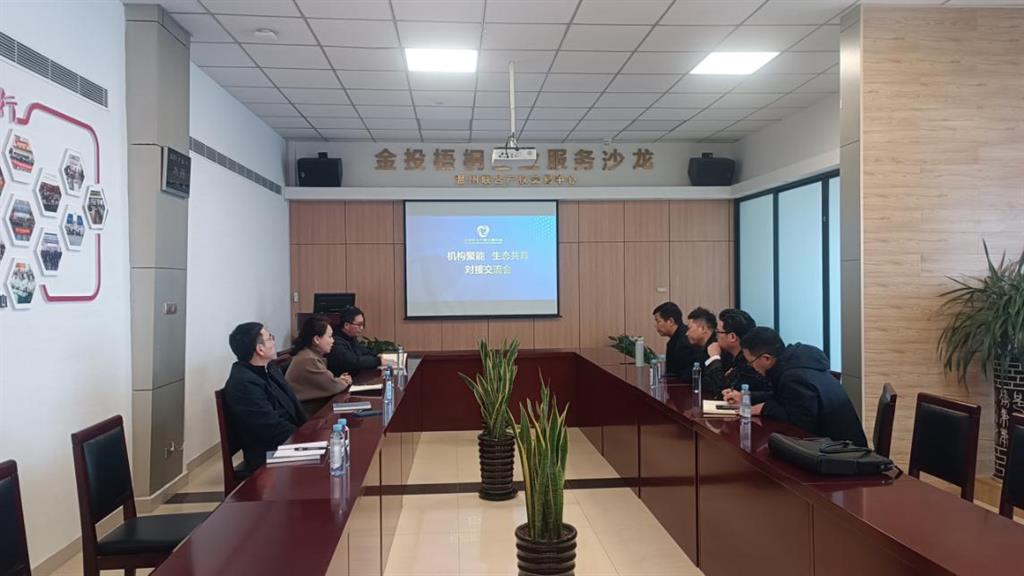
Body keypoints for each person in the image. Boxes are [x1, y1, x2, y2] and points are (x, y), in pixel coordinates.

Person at [725, 327, 867, 446]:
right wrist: (747, 397)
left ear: (766, 358)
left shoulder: (795, 377)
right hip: (831, 447)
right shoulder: (793, 364)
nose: (752, 367)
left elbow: (800, 424)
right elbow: (785, 398)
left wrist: (765, 408)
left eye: (751, 362)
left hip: (843, 454)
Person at [224, 322, 308, 473]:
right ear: (260, 349)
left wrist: (310, 431)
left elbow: (293, 406)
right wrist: (306, 438)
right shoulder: (244, 383)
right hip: (269, 453)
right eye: (270, 338)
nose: (274, 342)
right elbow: (270, 428)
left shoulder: (270, 369)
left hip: (288, 441)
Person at [286, 314, 353, 416]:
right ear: (316, 339)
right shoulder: (308, 359)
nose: (333, 341)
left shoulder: (309, 354)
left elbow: (329, 381)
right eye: (330, 337)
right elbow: (333, 386)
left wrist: (338, 380)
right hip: (307, 415)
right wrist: (344, 381)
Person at [704, 308, 770, 399]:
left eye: (718, 332)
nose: (716, 336)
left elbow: (723, 392)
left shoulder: (750, 360)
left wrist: (714, 358)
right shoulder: (732, 355)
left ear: (732, 337)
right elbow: (708, 384)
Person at [326, 306, 383, 377]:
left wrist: (377, 355)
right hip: (340, 381)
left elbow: (364, 350)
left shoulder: (350, 338)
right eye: (359, 325)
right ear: (346, 325)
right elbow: (353, 362)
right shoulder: (336, 341)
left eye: (363, 325)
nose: (361, 328)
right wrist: (378, 361)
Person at [652, 302, 702, 381]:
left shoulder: (685, 342)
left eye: (658, 321)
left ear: (671, 321)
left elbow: (683, 376)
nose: (656, 325)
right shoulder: (677, 337)